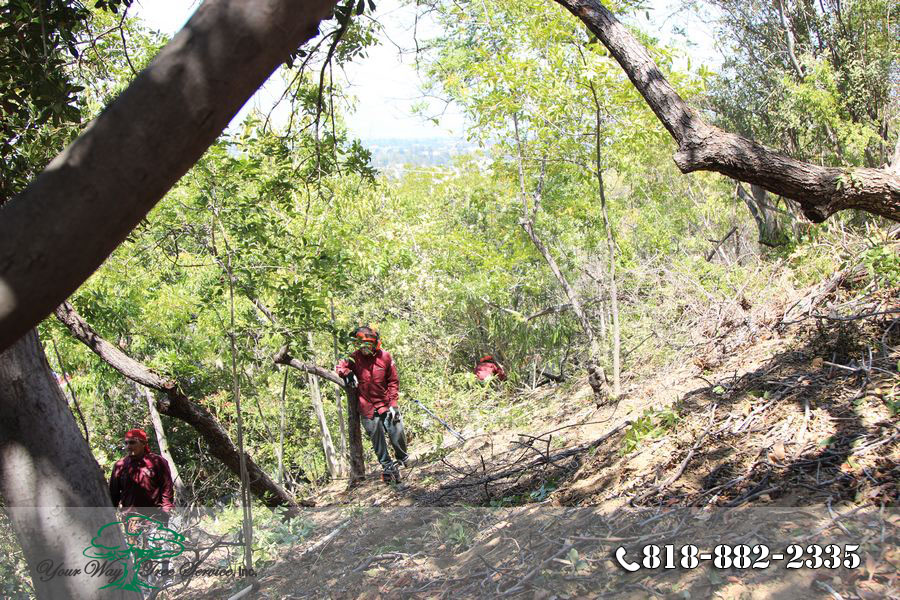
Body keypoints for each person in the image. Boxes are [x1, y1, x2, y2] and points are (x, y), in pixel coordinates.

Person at [336, 326, 409, 483]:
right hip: (366, 406)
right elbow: (340, 366)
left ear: (375, 343)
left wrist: (393, 403)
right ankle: (387, 466)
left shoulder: (385, 357)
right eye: (361, 345)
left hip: (386, 403)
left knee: (397, 432)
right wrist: (347, 373)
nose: (365, 349)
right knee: (377, 440)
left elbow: (393, 381)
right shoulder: (354, 357)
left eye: (368, 345)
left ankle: (403, 458)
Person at [109, 428, 175, 518]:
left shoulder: (157, 461)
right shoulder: (120, 465)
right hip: (130, 519)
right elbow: (113, 493)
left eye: (132, 442)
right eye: (126, 443)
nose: (128, 446)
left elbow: (166, 487)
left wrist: (166, 510)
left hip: (155, 517)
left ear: (143, 443)